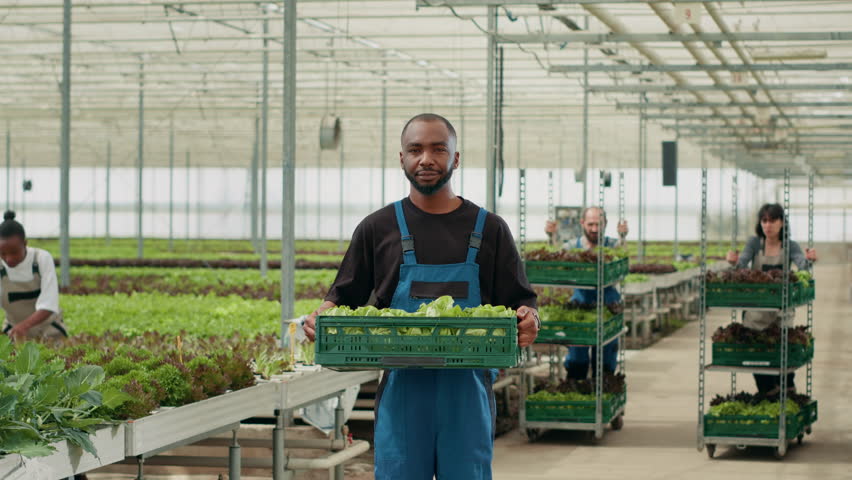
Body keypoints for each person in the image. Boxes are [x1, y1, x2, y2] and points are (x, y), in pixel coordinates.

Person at [304, 113, 539, 480]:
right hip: (402, 393)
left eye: (437, 149)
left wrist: (529, 319)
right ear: (402, 158)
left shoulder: (490, 229)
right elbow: (342, 295)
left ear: (455, 159)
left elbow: (521, 300)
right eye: (415, 149)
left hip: (467, 393)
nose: (425, 159)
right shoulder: (377, 227)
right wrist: (322, 316)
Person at [726, 203, 817, 395]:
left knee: (782, 361)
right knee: (759, 360)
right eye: (764, 220)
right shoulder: (754, 244)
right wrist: (734, 263)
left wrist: (809, 261)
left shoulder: (790, 245)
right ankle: (769, 395)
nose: (768, 225)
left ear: (782, 222)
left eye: (773, 220)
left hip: (781, 314)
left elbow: (802, 264)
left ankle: (787, 398)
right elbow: (742, 264)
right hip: (756, 315)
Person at [545, 207, 628, 380]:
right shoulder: (572, 246)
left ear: (605, 224)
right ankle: (578, 389)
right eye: (590, 224)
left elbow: (623, 257)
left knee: (607, 357)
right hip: (580, 306)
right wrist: (551, 236)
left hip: (609, 305)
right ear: (582, 223)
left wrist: (623, 237)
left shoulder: (612, 245)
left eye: (599, 224)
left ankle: (603, 390)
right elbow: (554, 257)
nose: (595, 229)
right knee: (577, 356)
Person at [0, 211, 67, 342]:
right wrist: (18, 328)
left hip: (49, 330)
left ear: (25, 244)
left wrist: (24, 326)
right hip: (14, 331)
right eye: (2, 253)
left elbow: (49, 304)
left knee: (55, 359)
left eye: (14, 252)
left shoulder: (41, 259)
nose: (8, 259)